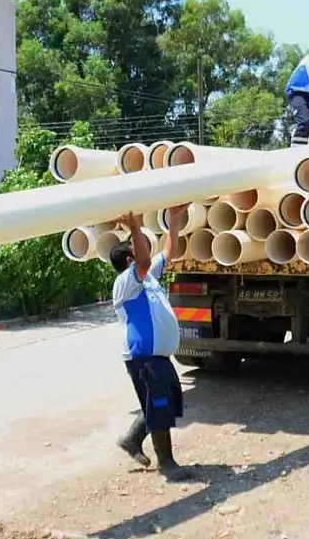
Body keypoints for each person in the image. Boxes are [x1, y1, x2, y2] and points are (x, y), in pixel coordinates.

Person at [111, 204, 192, 482]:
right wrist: (133, 227)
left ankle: (132, 439)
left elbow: (170, 251)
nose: (145, 248)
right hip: (143, 357)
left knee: (165, 401)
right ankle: (166, 464)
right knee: (159, 403)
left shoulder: (147, 280)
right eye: (138, 247)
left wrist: (174, 221)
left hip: (157, 357)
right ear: (128, 260)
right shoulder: (126, 282)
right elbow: (144, 262)